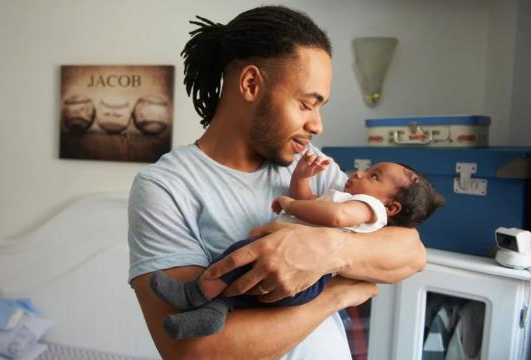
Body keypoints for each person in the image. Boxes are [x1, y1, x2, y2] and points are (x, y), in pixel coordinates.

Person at [128, 5, 427, 359]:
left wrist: (324, 252)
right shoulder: (166, 187)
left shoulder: (309, 162)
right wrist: (337, 295)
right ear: (251, 84)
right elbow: (194, 351)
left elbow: (411, 253)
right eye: (306, 104)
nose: (317, 125)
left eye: (320, 107)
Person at [149, 149, 444, 340]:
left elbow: (336, 216)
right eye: (305, 103)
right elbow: (312, 203)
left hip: (306, 281)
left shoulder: (367, 208)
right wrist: (302, 177)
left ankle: (195, 292)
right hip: (294, 283)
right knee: (245, 287)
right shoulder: (348, 195)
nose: (358, 173)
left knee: (240, 253)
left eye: (373, 176)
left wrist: (290, 204)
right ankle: (214, 313)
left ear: (390, 207)